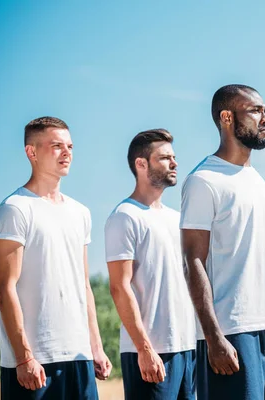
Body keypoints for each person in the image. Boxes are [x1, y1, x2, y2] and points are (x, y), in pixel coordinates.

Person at [181, 84, 265, 400]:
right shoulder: (204, 180)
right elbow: (193, 261)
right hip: (231, 331)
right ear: (227, 117)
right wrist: (212, 337)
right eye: (255, 111)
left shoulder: (258, 181)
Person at [0, 116, 112, 400]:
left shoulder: (80, 212)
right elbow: (5, 289)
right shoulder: (14, 210)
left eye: (69, 145)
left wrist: (95, 346)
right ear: (31, 152)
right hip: (35, 362)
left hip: (79, 357)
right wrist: (23, 357)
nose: (67, 152)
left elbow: (83, 285)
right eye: (56, 146)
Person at [105, 129, 196, 400]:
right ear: (141, 164)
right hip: (148, 353)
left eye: (174, 157)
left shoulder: (177, 219)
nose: (174, 163)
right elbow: (119, 288)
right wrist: (144, 349)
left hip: (187, 348)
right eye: (165, 158)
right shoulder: (124, 217)